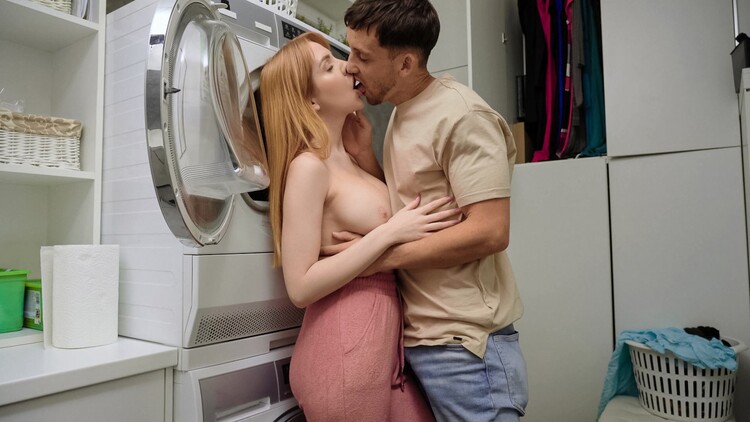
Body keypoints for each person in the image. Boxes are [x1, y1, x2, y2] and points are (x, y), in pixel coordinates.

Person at [334, 0, 530, 420]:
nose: (349, 65)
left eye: (362, 56)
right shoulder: (402, 113)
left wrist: (375, 259)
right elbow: (410, 209)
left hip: (464, 347)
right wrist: (365, 157)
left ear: (405, 63)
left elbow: (491, 231)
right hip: (426, 339)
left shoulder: (463, 116)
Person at [259, 31, 460, 421]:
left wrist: (365, 154)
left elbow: (384, 217)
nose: (348, 67)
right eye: (329, 66)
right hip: (343, 351)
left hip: (384, 351)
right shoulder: (308, 168)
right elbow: (300, 286)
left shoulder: (350, 160)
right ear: (311, 101)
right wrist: (388, 233)